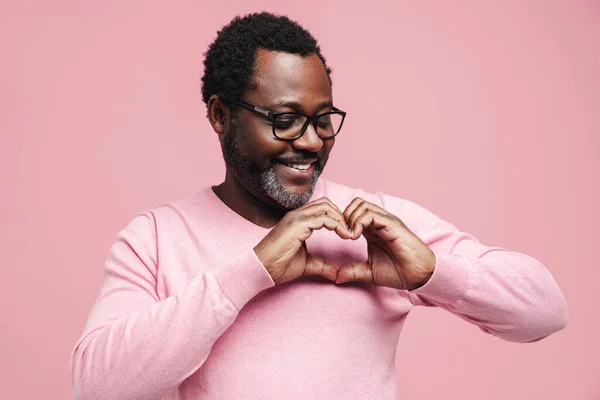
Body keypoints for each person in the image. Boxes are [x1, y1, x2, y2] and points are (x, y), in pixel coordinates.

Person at [70, 11, 568, 400]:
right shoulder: (157, 237)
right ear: (220, 115)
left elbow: (544, 312)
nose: (311, 142)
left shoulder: (374, 225)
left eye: (323, 119)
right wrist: (253, 269)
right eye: (285, 119)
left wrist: (432, 272)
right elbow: (99, 387)